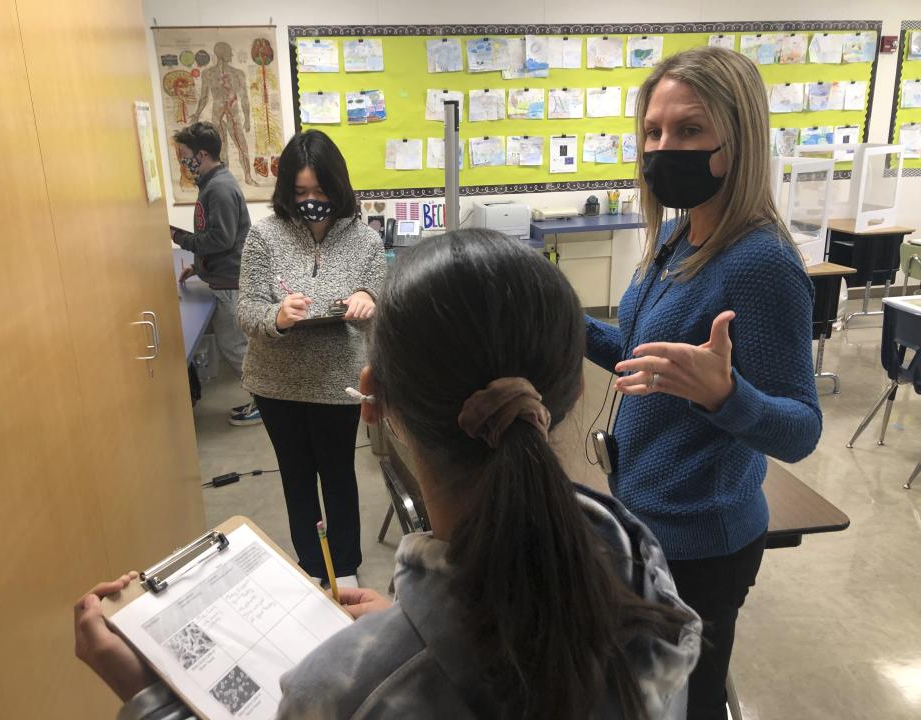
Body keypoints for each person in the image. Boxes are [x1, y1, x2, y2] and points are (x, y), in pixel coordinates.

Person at [75, 229, 702, 719]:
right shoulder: (644, 574)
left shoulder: (341, 695)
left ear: (370, 398)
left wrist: (150, 700)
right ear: (568, 388)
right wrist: (408, 624)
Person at [585, 46, 822, 720]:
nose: (664, 148)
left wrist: (724, 396)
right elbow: (642, 356)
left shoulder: (760, 264)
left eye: (689, 130)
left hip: (703, 543)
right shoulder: (679, 237)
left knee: (687, 703)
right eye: (654, 132)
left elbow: (802, 429)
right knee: (645, 693)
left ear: (737, 137)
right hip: (647, 518)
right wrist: (558, 315)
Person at [236, 129, 385, 586]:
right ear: (286, 191)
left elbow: (380, 306)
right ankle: (311, 566)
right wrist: (278, 316)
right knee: (296, 479)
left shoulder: (365, 240)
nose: (311, 201)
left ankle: (344, 569)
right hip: (277, 383)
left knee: (339, 476)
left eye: (320, 191)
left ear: (338, 187)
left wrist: (366, 300)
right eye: (300, 192)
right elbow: (246, 309)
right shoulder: (263, 237)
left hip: (338, 382)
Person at [170, 121, 259, 426]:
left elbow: (221, 238)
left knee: (234, 346)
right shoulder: (213, 183)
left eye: (185, 157)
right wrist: (199, 265)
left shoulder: (218, 188)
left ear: (203, 154)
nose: (183, 163)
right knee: (236, 345)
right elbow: (221, 237)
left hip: (231, 283)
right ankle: (262, 399)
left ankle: (263, 402)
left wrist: (179, 238)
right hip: (223, 276)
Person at [189, 41, 255, 185]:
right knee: (221, 147)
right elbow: (204, 97)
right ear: (221, 53)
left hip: (233, 112)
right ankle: (225, 180)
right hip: (217, 113)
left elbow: (244, 97)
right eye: (229, 52)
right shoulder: (208, 73)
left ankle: (248, 177)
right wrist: (196, 114)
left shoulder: (238, 74)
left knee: (242, 145)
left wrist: (247, 118)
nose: (231, 54)